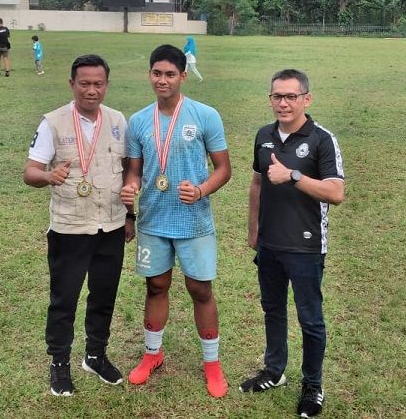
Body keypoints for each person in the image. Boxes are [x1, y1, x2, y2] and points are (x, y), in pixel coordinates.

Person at [120, 44, 231, 398]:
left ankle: (212, 364)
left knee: (200, 289)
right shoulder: (138, 121)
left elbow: (224, 169)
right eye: (157, 73)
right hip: (153, 220)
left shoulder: (205, 115)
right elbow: (134, 172)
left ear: (183, 76)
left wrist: (200, 191)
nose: (162, 80)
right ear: (149, 74)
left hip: (194, 220)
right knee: (156, 286)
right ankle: (152, 354)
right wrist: (131, 189)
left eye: (170, 74)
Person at [22, 54, 134, 397]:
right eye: (84, 83)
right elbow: (30, 172)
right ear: (72, 84)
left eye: (98, 84)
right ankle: (59, 364)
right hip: (70, 228)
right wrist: (47, 175)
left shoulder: (118, 121)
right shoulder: (52, 122)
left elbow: (130, 169)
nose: (91, 90)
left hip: (111, 225)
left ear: (106, 85)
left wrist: (131, 216)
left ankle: (96, 355)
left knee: (104, 295)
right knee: (64, 299)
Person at [241, 69, 345, 418]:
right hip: (269, 245)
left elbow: (336, 192)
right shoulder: (263, 135)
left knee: (310, 319)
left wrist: (294, 176)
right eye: (277, 96)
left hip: (306, 247)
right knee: (272, 310)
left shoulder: (321, 139)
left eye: (290, 97)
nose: (283, 103)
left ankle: (313, 385)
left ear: (306, 99)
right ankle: (274, 370)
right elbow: (257, 184)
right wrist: (253, 229)